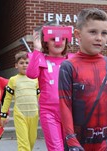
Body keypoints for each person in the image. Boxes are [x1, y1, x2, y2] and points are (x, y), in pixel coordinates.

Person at [58, 8, 107, 151]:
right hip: (78, 143)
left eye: (104, 33)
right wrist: (71, 139)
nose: (99, 38)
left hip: (105, 143)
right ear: (78, 34)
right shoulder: (68, 67)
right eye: (93, 32)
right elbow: (64, 105)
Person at [26, 23, 73, 151]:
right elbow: (31, 74)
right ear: (45, 42)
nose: (58, 42)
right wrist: (36, 50)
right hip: (49, 112)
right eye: (53, 39)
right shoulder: (40, 58)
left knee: (72, 147)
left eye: (62, 39)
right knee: (56, 148)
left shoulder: (72, 60)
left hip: (70, 111)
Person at [0, 51, 40, 151]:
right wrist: (3, 115)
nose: (24, 65)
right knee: (23, 144)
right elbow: (7, 98)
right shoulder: (13, 80)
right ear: (16, 65)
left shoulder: (36, 79)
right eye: (21, 63)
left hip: (34, 114)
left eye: (27, 63)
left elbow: (41, 97)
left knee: (31, 141)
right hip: (20, 115)